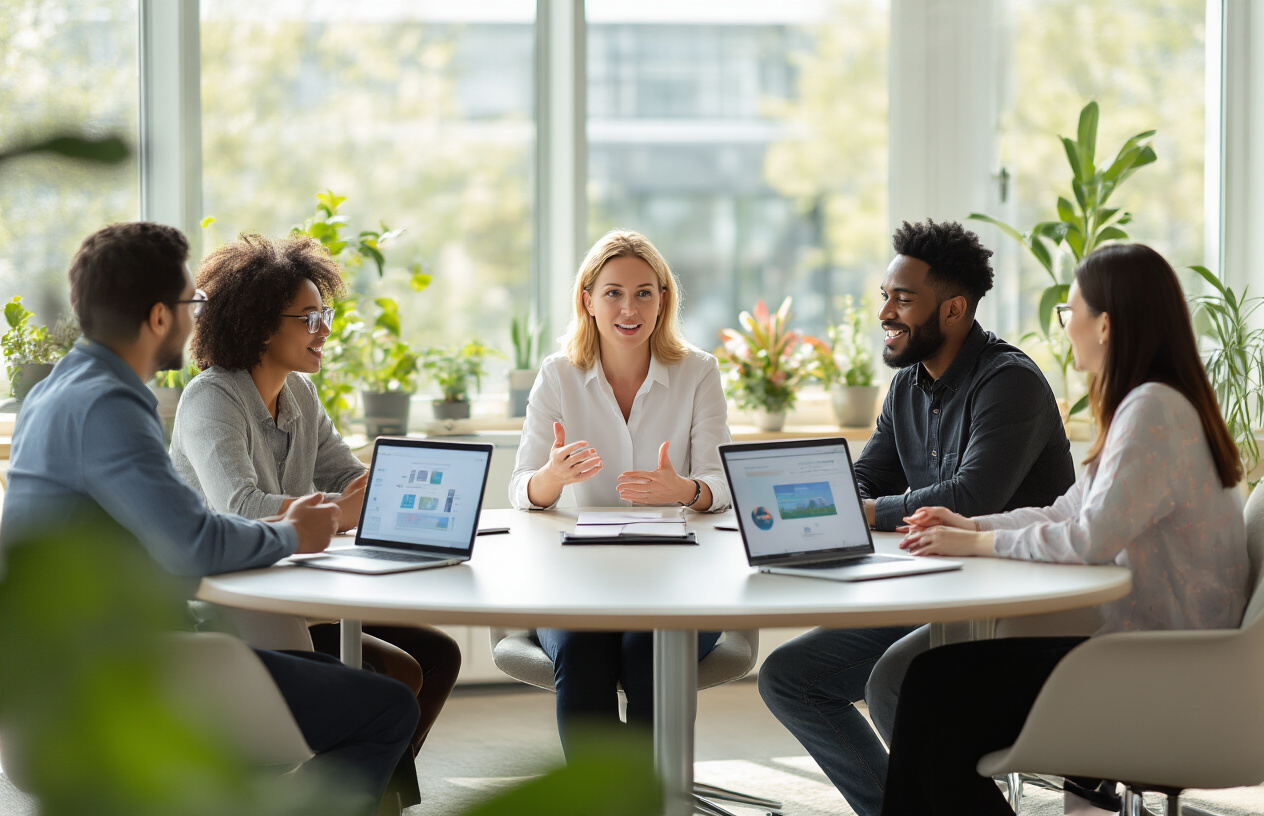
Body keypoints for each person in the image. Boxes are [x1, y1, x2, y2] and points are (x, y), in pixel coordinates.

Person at [0, 222, 419, 816]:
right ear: (159, 317)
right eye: (190, 303)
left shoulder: (62, 387)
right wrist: (294, 532)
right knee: (387, 706)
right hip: (115, 676)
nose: (199, 316)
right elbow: (191, 541)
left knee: (355, 680)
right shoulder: (109, 403)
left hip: (68, 663)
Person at [880, 243, 1249, 815]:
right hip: (1156, 653)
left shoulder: (1152, 410)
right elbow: (1069, 509)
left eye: (1069, 310)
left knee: (930, 694)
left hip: (1166, 672)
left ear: (1105, 325)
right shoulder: (1153, 403)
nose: (1065, 325)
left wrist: (977, 541)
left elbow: (1090, 538)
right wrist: (973, 521)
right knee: (929, 687)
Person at [757, 219, 1076, 816]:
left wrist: (868, 510)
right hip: (937, 593)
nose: (885, 312)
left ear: (953, 309)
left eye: (903, 299)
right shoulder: (907, 385)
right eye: (885, 295)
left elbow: (970, 497)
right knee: (787, 676)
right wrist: (841, 496)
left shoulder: (1009, 382)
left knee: (893, 683)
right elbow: (868, 473)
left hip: (1011, 606)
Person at [168, 233, 462, 807]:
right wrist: (345, 508)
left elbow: (344, 477)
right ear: (259, 326)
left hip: (294, 589)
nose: (325, 329)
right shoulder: (212, 399)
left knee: (438, 655)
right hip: (233, 605)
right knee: (393, 675)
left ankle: (368, 797)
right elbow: (241, 506)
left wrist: (410, 486)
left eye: (324, 314)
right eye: (309, 318)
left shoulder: (299, 393)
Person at [508, 229, 731, 757]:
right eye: (612, 292)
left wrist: (688, 489)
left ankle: (652, 797)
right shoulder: (559, 375)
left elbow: (725, 485)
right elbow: (521, 487)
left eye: (643, 293)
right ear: (587, 300)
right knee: (584, 651)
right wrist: (552, 478)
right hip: (579, 582)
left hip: (677, 580)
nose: (628, 308)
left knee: (649, 651)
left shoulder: (698, 372)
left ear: (663, 301)